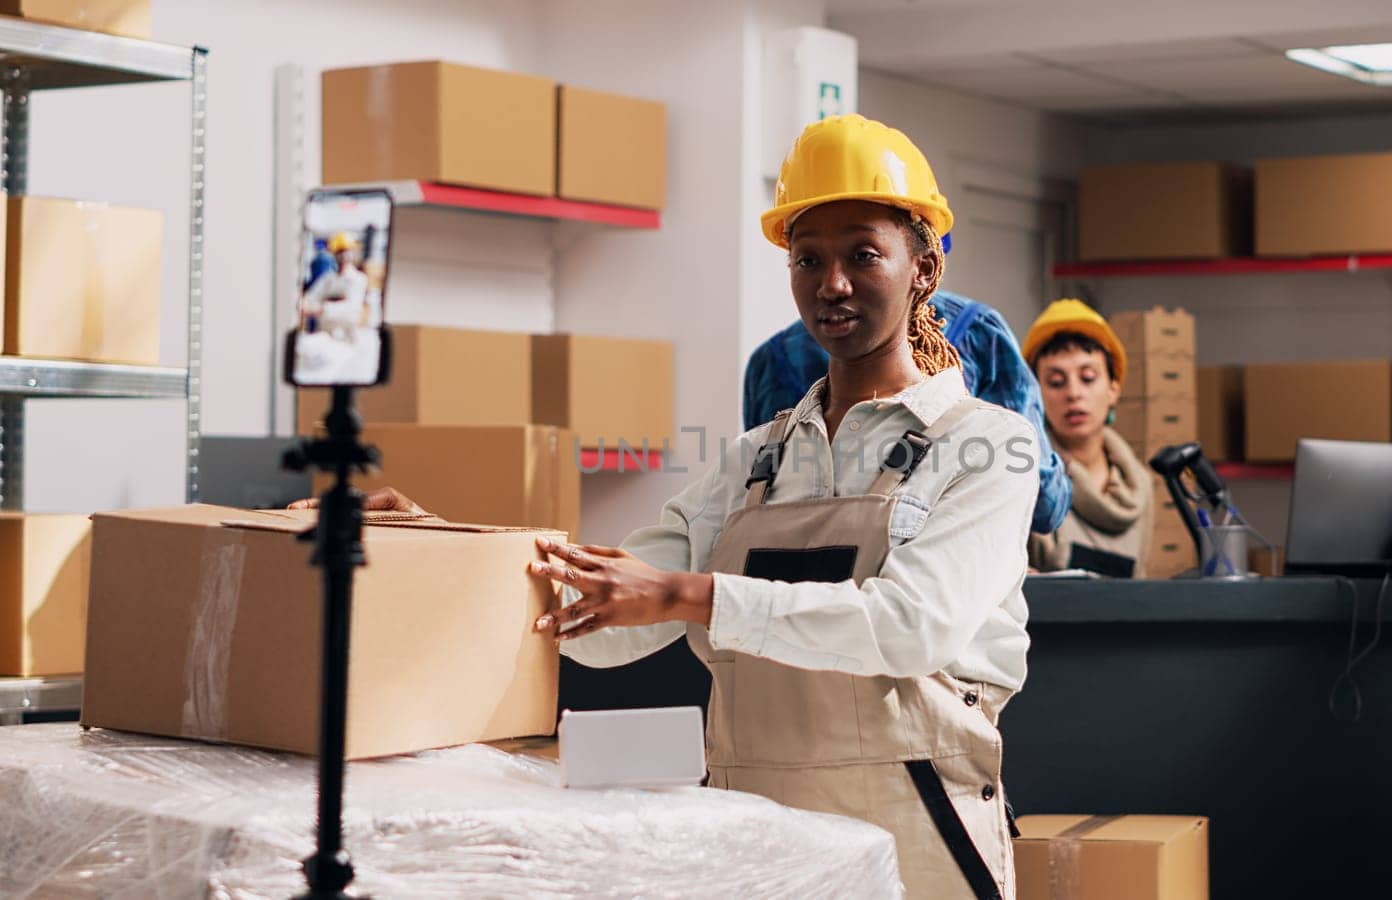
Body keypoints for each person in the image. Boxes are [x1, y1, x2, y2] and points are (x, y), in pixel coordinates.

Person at [304, 114, 1039, 900]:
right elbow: (599, 627)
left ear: (923, 267)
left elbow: (909, 625)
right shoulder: (756, 460)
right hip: (760, 842)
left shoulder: (987, 447)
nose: (832, 283)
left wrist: (685, 594)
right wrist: (441, 549)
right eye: (808, 258)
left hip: (917, 840)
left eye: (864, 254)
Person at [745, 290, 1071, 536]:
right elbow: (1045, 505)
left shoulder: (768, 360)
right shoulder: (976, 332)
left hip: (789, 604)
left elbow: (756, 502)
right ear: (927, 261)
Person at [1021, 299, 1154, 577]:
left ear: (1113, 389)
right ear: (1036, 394)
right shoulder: (1021, 472)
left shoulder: (1139, 483)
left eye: (1088, 377)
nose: (1073, 393)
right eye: (1056, 382)